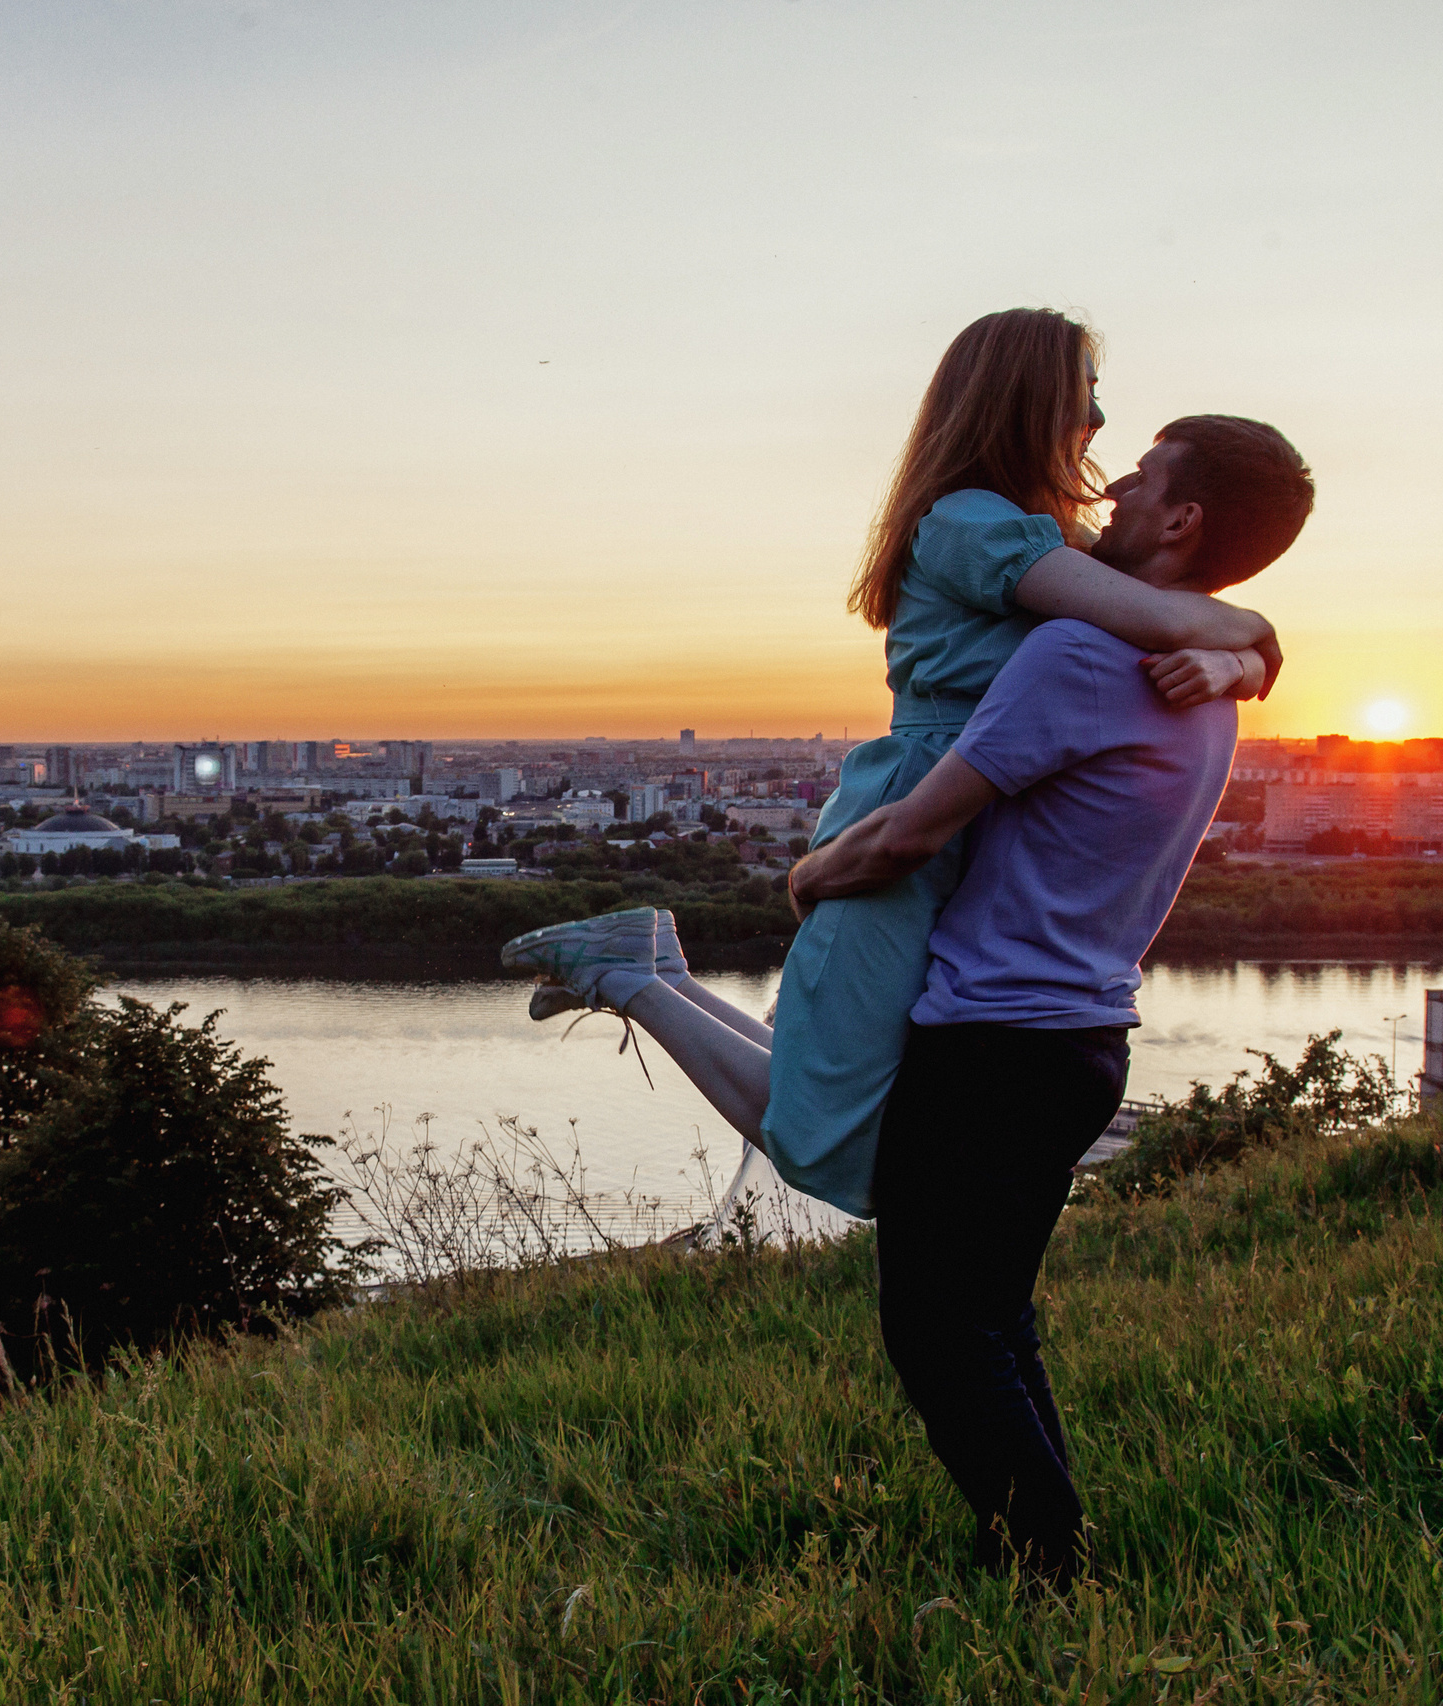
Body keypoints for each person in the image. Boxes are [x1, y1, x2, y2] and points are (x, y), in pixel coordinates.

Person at [532, 412, 1318, 1585]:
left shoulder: (1079, 655)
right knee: (992, 1315)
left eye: (1139, 481)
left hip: (996, 1036)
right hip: (1082, 1040)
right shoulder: (1196, 684)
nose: (1107, 497)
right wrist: (1245, 651)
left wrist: (807, 879)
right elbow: (1236, 646)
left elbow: (911, 829)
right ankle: (1059, 1555)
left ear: (1181, 518)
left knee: (937, 1329)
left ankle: (1055, 1575)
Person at [507, 309, 1277, 1222]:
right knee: (828, 1134)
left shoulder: (1044, 538)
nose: (1100, 423)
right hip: (912, 814)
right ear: (1023, 400)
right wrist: (1250, 648)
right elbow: (1174, 618)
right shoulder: (972, 524)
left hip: (971, 829)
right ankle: (631, 977)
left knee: (874, 1121)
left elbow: (1178, 620)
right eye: (1086, 395)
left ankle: (648, 971)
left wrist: (1241, 659)